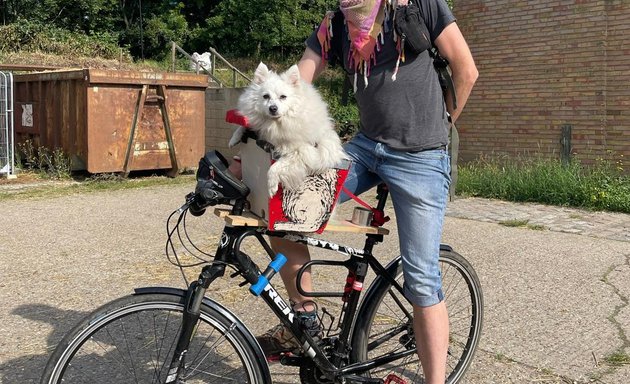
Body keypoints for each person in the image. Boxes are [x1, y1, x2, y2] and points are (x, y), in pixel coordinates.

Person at [255, 0, 478, 382]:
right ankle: (304, 320)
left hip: (421, 156)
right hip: (365, 147)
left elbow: (466, 69)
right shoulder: (336, 25)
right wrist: (257, 126)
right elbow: (296, 85)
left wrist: (441, 128)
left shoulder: (421, 5)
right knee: (281, 209)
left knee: (421, 278)